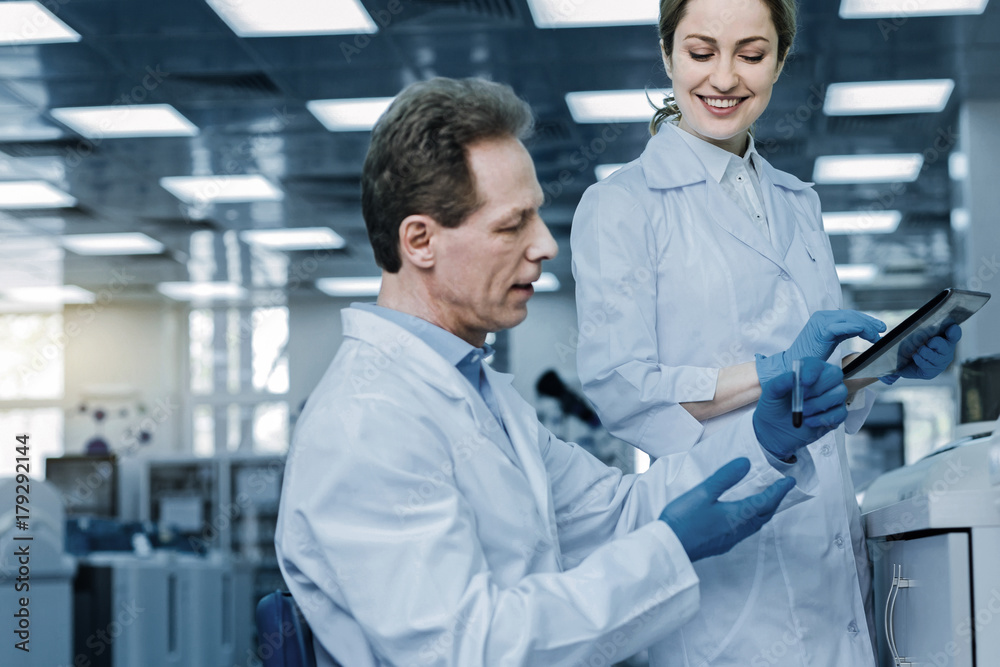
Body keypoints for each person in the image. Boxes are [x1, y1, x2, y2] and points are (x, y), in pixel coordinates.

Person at [274, 77, 852, 667]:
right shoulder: (366, 423)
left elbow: (621, 512)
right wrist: (667, 552)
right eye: (511, 226)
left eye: (539, 219)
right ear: (420, 240)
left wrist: (764, 444)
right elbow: (470, 650)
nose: (546, 246)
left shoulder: (477, 396)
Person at [570, 1, 963, 665]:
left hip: (833, 567)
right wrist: (774, 367)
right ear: (667, 55)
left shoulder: (798, 202)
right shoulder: (622, 204)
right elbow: (622, 388)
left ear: (780, 61)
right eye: (700, 52)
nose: (724, 77)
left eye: (751, 54)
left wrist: (884, 366)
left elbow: (822, 391)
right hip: (729, 581)